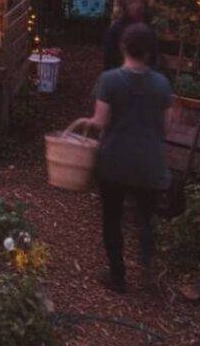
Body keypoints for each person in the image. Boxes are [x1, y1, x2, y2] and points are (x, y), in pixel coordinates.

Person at [72, 22, 173, 293]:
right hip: (150, 163)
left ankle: (118, 276)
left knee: (112, 218)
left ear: (123, 47)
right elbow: (166, 128)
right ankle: (147, 272)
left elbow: (101, 122)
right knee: (146, 219)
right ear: (150, 52)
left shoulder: (110, 80)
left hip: (115, 161)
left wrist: (87, 120)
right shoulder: (162, 84)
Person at [102, 0, 155, 72]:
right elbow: (109, 60)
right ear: (124, 6)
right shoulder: (116, 29)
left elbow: (154, 56)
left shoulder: (149, 26)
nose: (138, 6)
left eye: (140, 2)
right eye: (132, 2)